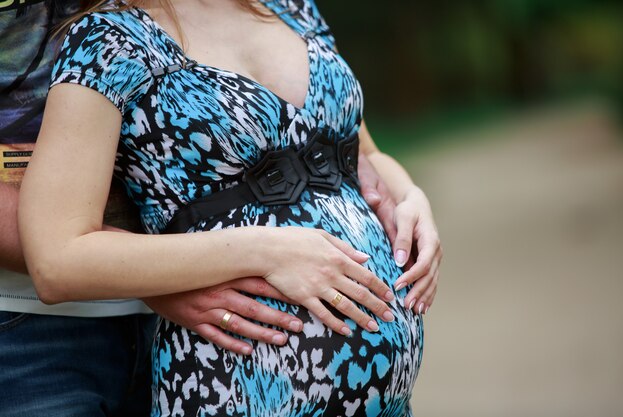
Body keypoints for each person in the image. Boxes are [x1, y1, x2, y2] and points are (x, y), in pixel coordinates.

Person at [18, 0, 442, 416]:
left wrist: (409, 196)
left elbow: (362, 152)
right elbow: (58, 258)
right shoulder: (107, 41)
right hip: (235, 387)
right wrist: (265, 251)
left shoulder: (294, 9)